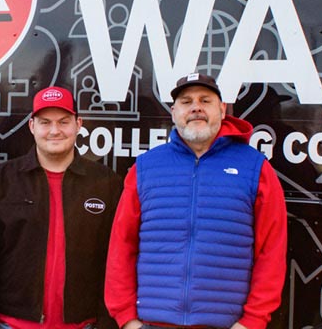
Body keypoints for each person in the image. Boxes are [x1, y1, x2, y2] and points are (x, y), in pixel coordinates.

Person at [105, 73, 287, 329]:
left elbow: (272, 250)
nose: (196, 107)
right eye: (186, 101)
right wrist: (127, 319)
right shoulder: (146, 167)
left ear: (222, 110)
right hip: (152, 323)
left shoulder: (255, 168)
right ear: (173, 112)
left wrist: (252, 321)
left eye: (205, 100)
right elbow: (122, 245)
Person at [0, 86, 123, 329]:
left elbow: (117, 260)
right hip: (12, 324)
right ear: (32, 126)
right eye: (45, 122)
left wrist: (106, 323)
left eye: (63, 122)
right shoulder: (0, 182)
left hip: (84, 325)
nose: (54, 131)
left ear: (78, 124)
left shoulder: (105, 183)